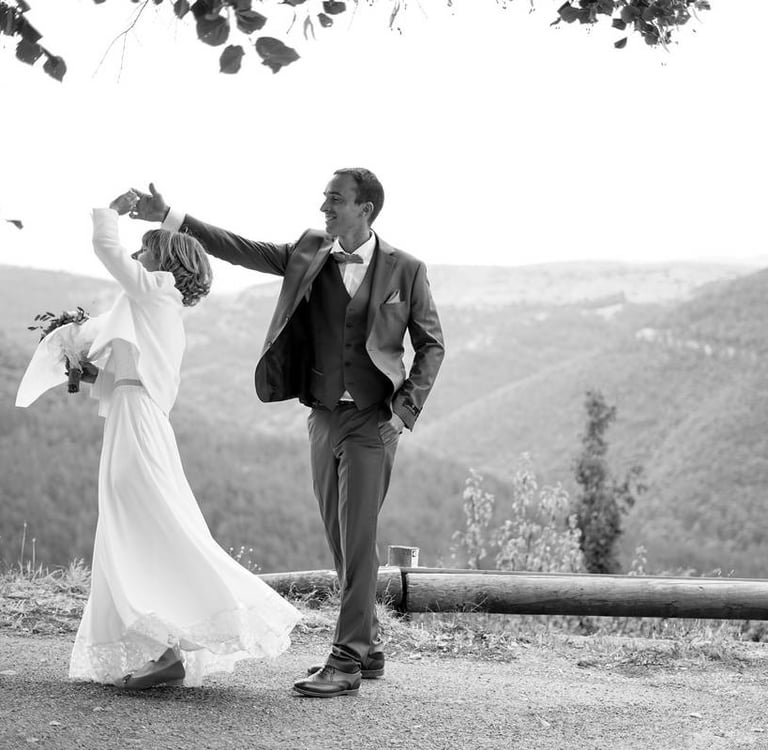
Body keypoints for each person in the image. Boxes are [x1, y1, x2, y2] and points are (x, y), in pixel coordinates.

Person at [131, 169, 445, 697]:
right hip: (323, 417)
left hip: (374, 421)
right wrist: (171, 217)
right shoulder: (309, 250)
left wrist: (403, 409)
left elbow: (431, 344)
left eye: (335, 199)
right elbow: (239, 248)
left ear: (365, 209)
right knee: (340, 539)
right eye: (324, 198)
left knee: (359, 537)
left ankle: (345, 662)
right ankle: (367, 645)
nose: (324, 207)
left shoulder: (406, 269)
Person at [55, 193, 301, 689]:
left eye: (146, 251)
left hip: (139, 425)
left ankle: (168, 649)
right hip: (132, 418)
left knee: (142, 526)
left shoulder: (157, 291)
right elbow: (126, 379)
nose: (139, 259)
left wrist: (107, 210)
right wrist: (82, 368)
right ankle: (161, 648)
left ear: (164, 262)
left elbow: (108, 250)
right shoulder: (154, 309)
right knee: (136, 526)